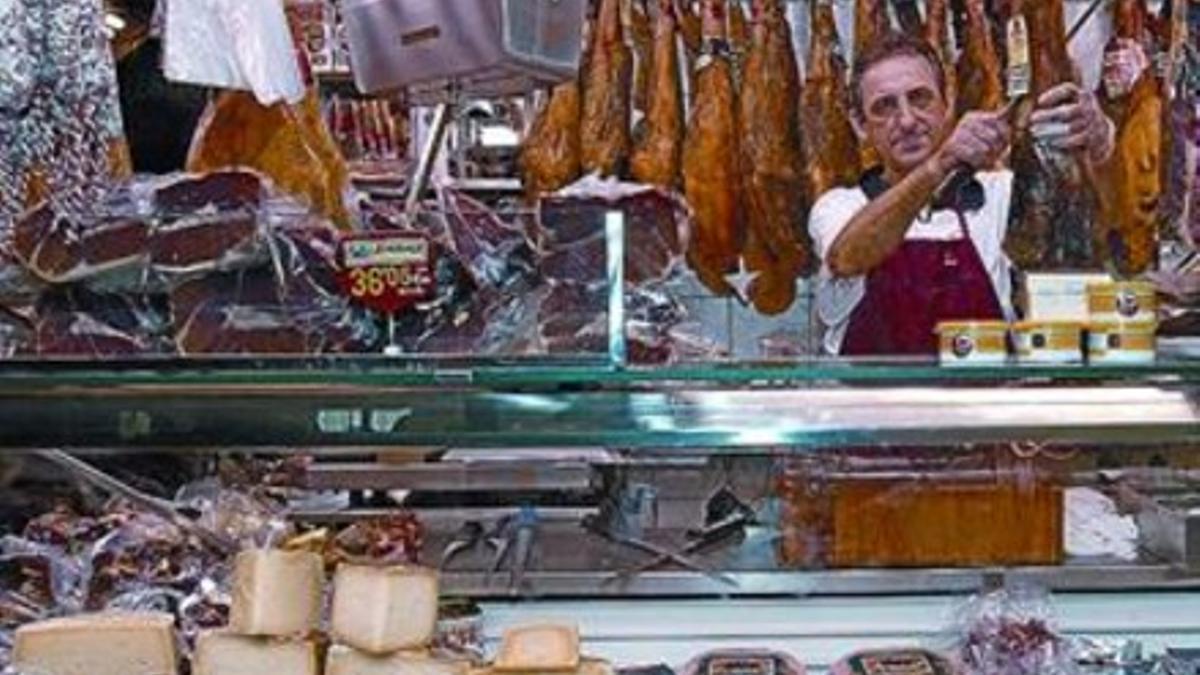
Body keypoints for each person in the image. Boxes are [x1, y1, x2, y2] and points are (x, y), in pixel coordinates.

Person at [807, 32, 1116, 356]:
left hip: (984, 402)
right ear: (859, 124)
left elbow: (1100, 214)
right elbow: (848, 258)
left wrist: (1099, 142)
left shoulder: (998, 193)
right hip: (869, 405)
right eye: (884, 107)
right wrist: (940, 165)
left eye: (920, 98)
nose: (907, 120)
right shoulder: (839, 207)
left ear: (946, 102)